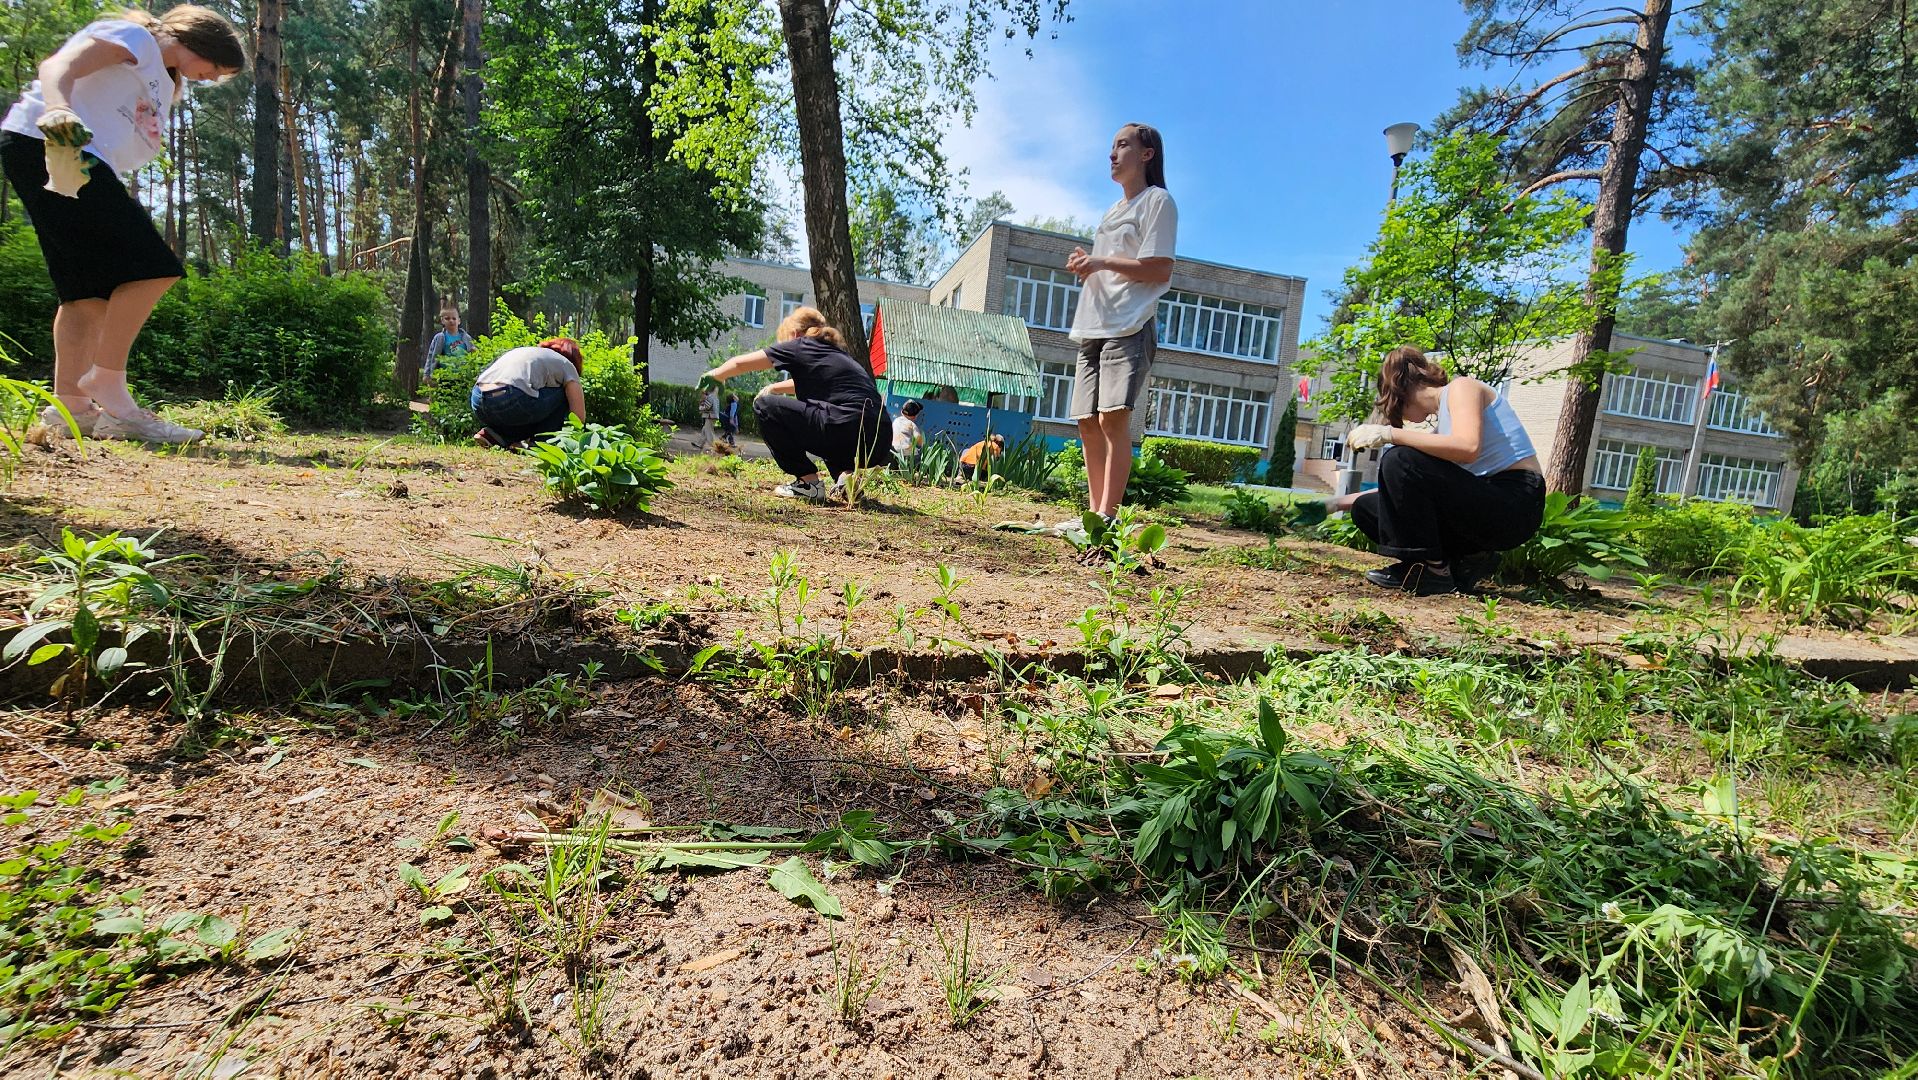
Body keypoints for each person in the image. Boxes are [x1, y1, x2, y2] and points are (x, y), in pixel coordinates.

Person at [2, 6, 247, 444]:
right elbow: (58, 65)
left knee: (86, 294)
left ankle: (70, 410)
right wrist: (58, 109)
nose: (211, 79)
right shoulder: (137, 39)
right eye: (215, 68)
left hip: (48, 150)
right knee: (155, 267)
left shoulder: (158, 74)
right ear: (200, 42)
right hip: (54, 144)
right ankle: (109, 388)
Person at [1330, 346, 1546, 596]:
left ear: (1400, 393)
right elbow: (1404, 488)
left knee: (1400, 458)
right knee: (1367, 507)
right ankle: (1462, 563)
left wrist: (1391, 434)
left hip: (1516, 503)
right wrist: (1334, 504)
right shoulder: (1444, 427)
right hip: (1484, 505)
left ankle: (1430, 571)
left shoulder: (1462, 388)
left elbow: (1468, 447)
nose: (1403, 420)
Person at [1064, 123, 1177, 526]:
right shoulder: (1112, 212)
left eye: (1123, 145)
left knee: (1113, 417)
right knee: (1087, 421)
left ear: (1147, 154)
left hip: (1128, 323)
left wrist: (1101, 261)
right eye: (1111, 146)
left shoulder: (1157, 202)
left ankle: (1107, 517)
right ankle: (1094, 514)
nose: (1112, 154)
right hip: (1093, 323)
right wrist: (1087, 265)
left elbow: (1160, 268)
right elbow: (1109, 268)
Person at [704, 307, 892, 502]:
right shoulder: (839, 355)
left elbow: (741, 364)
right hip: (879, 438)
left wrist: (714, 376)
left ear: (794, 333)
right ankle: (847, 480)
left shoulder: (800, 344)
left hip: (845, 428)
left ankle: (808, 483)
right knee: (829, 422)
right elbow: (815, 383)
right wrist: (776, 387)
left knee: (765, 406)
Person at [470, 337, 586, 448]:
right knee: (563, 395)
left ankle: (495, 435)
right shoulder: (567, 364)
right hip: (510, 399)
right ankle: (542, 444)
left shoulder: (527, 352)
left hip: (478, 399)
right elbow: (578, 417)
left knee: (531, 399)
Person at [422, 305, 476, 380]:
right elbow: (431, 355)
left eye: (454, 318)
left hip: (463, 377)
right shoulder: (440, 337)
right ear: (442, 321)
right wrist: (427, 374)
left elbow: (474, 354)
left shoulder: (466, 337)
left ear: (459, 321)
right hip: (444, 377)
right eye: (447, 318)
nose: (451, 320)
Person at [695, 385, 719, 449]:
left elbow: (707, 407)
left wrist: (701, 408)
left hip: (710, 416)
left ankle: (714, 447)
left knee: (709, 432)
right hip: (712, 416)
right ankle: (700, 444)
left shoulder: (710, 397)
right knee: (704, 430)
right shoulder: (715, 397)